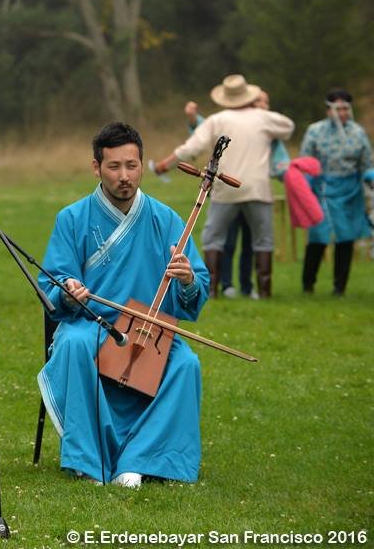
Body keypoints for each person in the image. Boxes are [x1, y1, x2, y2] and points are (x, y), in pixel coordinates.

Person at [38, 122, 210, 488]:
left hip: (148, 329)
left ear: (142, 165)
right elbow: (52, 283)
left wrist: (187, 279)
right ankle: (89, 460)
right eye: (114, 166)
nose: (124, 176)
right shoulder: (72, 218)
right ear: (96, 167)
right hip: (92, 323)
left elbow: (196, 291)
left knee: (186, 363)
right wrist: (68, 292)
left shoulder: (166, 219)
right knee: (72, 345)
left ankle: (141, 459)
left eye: (132, 166)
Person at [154, 75, 294, 298]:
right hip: (257, 188)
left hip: (224, 188)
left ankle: (212, 290)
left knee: (213, 238)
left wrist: (164, 165)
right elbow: (288, 127)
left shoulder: (216, 120)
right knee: (263, 240)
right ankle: (265, 292)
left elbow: (190, 148)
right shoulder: (264, 118)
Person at [299, 88, 373, 295]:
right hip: (321, 190)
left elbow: (366, 163)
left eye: (345, 109)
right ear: (328, 110)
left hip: (349, 191)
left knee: (345, 237)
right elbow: (305, 161)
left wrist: (370, 178)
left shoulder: (357, 132)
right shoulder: (315, 131)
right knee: (318, 237)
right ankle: (308, 285)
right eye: (337, 108)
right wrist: (304, 187)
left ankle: (339, 287)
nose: (341, 113)